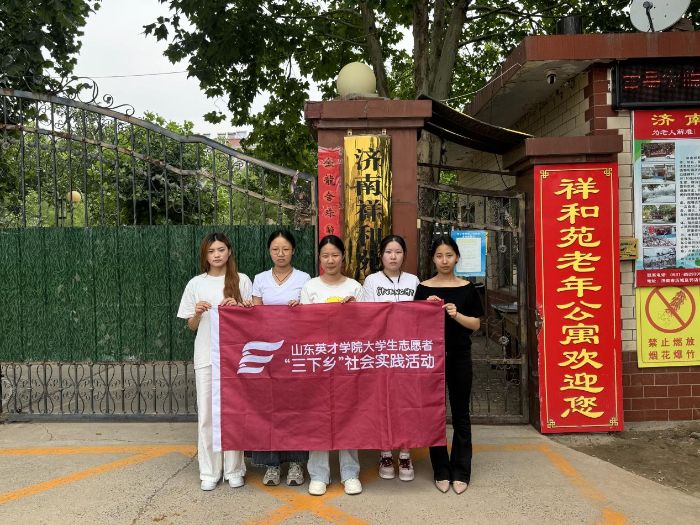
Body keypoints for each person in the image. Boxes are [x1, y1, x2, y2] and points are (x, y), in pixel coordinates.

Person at [177, 232, 253, 491]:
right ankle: (209, 471)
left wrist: (238, 308)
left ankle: (234, 469)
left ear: (229, 251)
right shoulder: (196, 284)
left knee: (234, 413)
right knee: (207, 415)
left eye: (221, 249)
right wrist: (197, 313)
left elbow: (252, 320)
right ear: (205, 255)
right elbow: (191, 325)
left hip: (235, 358)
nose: (217, 255)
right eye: (211, 251)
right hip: (206, 356)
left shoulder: (242, 280)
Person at [414, 235, 483, 495]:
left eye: (449, 255)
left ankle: (461, 470)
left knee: (461, 413)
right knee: (434, 413)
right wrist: (426, 308)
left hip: (459, 356)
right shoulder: (423, 288)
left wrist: (456, 314)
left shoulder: (467, 288)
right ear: (433, 259)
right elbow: (413, 325)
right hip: (431, 358)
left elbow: (475, 324)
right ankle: (441, 469)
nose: (444, 260)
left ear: (457, 258)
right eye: (439, 256)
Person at [300, 234, 364, 496]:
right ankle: (319, 473)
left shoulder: (355, 287)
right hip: (318, 359)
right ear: (319, 258)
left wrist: (355, 309)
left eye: (335, 255)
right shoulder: (310, 286)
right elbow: (303, 325)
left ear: (343, 257)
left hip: (347, 359)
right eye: (325, 255)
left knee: (348, 413)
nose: (330, 260)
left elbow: (366, 326)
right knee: (318, 414)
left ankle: (350, 473)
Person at [251, 229, 311, 487]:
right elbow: (255, 316)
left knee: (296, 407)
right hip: (268, 353)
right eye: (275, 249)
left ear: (293, 250)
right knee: (269, 408)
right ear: (269, 251)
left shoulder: (304, 278)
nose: (281, 254)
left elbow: (311, 316)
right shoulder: (260, 279)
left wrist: (300, 310)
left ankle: (297, 463)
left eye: (285, 249)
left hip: (294, 352)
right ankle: (272, 465)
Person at [361, 234, 420, 482]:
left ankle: (405, 453)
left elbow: (420, 316)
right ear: (381, 255)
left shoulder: (414, 281)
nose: (393, 256)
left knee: (406, 402)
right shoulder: (371, 281)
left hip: (407, 353)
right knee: (383, 402)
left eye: (398, 252)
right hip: (381, 353)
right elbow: (366, 316)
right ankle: (385, 453)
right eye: (388, 252)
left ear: (404, 255)